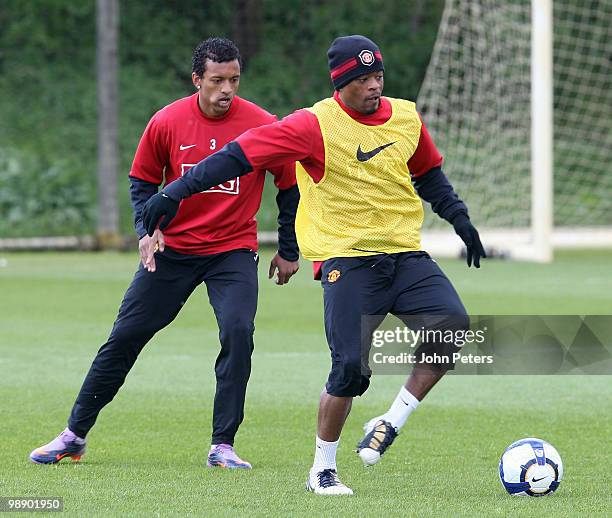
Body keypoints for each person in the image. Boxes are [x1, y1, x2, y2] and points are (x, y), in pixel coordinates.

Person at [141, 35, 485, 494]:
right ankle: (322, 468)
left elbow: (429, 174)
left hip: (405, 256)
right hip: (348, 263)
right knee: (349, 371)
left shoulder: (404, 116)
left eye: (378, 76)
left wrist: (460, 219)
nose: (373, 86)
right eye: (363, 79)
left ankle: (391, 420)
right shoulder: (312, 125)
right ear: (341, 84)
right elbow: (237, 156)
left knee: (452, 328)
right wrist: (174, 192)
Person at [29, 37, 300, 469]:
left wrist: (288, 249)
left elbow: (289, 186)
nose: (226, 89)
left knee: (237, 333)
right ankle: (73, 435)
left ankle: (222, 446)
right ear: (198, 80)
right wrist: (145, 231)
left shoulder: (262, 124)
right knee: (124, 338)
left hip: (232, 251)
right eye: (217, 80)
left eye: (234, 79)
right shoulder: (167, 121)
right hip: (172, 250)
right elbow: (142, 183)